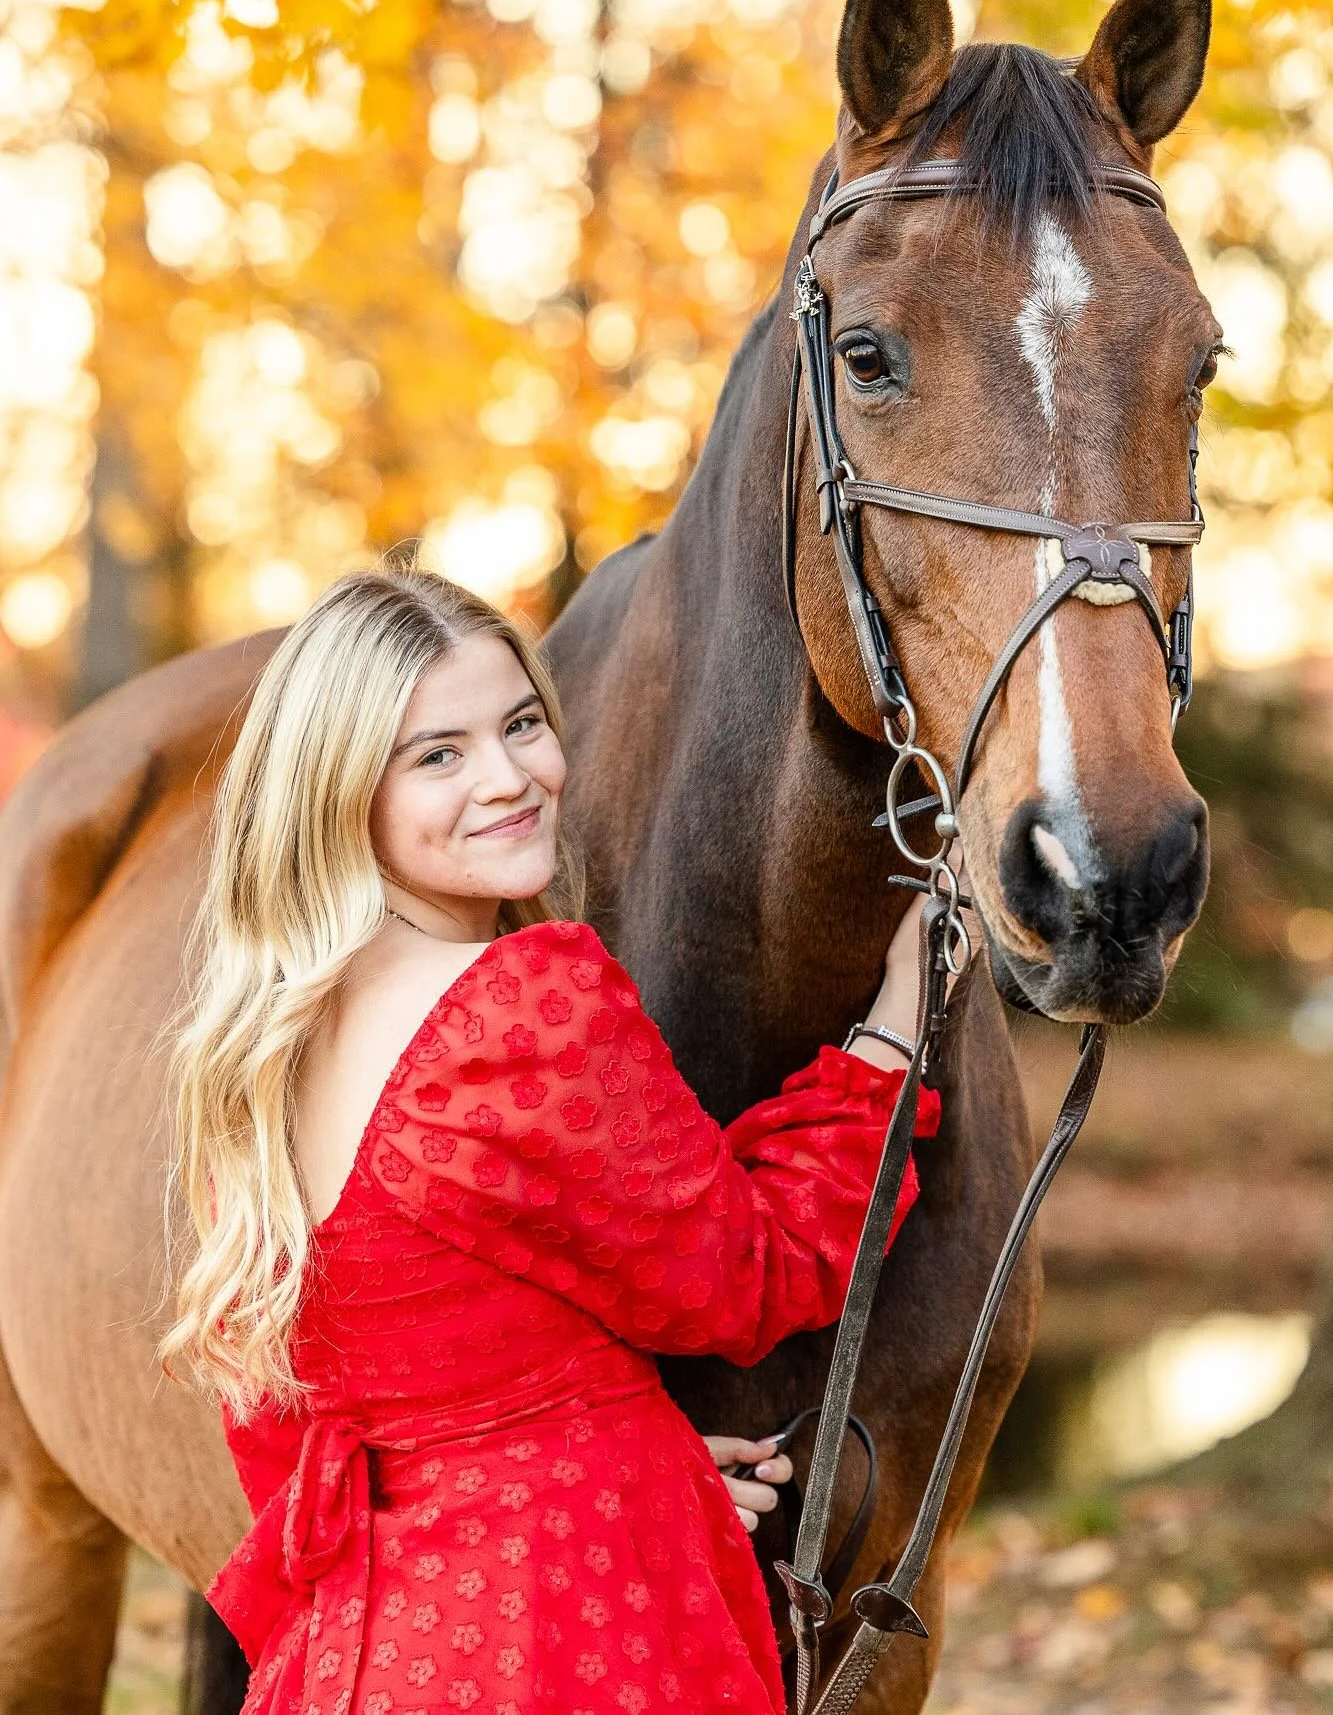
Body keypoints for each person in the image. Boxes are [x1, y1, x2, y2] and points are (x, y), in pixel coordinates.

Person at [159, 563, 951, 1715]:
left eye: (522, 722)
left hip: (355, 1654)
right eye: (439, 753)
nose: (511, 775)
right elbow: (755, 1270)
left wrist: (627, 1464)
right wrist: (896, 1028)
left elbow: (305, 1419)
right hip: (562, 1632)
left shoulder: (258, 1049)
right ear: (340, 789)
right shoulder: (519, 1005)